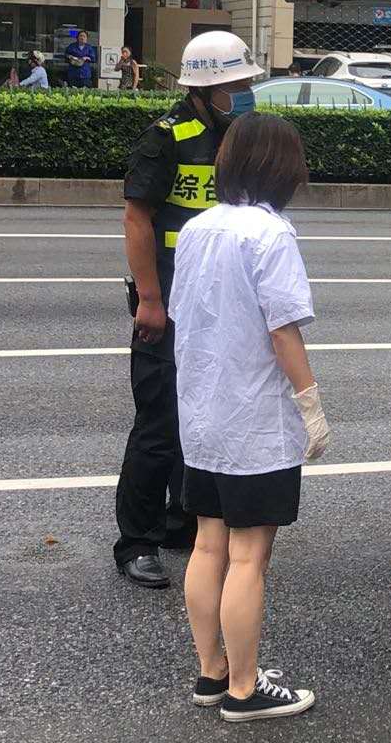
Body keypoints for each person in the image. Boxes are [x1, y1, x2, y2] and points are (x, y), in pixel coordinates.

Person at [172, 113, 331, 723]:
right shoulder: (271, 234)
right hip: (256, 421)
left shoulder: (197, 228)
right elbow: (282, 329)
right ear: (282, 169)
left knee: (207, 544)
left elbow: (186, 317)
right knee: (248, 557)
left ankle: (212, 671)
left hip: (202, 414)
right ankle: (245, 690)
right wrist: (310, 403)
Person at [114, 30, 263, 590]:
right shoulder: (165, 138)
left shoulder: (238, 138)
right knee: (158, 424)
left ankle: (181, 520)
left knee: (201, 416)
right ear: (203, 88)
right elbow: (136, 220)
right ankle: (137, 541)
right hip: (169, 301)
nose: (245, 93)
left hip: (216, 304)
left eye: (246, 83)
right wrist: (151, 300)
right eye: (235, 84)